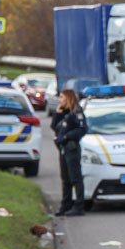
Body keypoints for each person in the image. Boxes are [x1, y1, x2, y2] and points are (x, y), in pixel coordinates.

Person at [53, 88, 87, 216]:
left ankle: (79, 206)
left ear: (68, 98)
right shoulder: (64, 112)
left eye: (62, 97)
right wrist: (57, 113)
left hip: (71, 147)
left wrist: (67, 136)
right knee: (65, 178)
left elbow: (82, 129)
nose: (60, 100)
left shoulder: (76, 111)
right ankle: (66, 205)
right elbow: (54, 127)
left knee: (75, 178)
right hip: (62, 148)